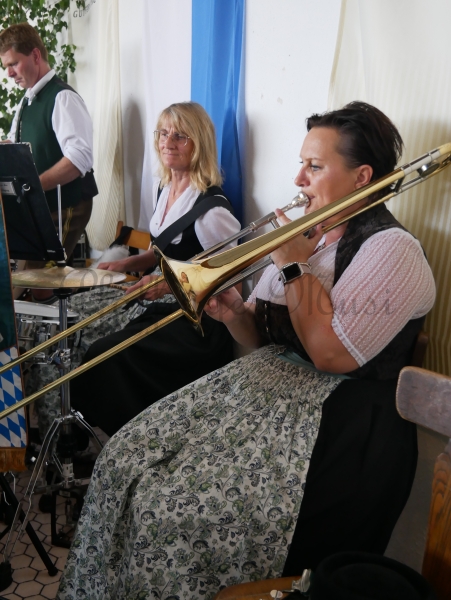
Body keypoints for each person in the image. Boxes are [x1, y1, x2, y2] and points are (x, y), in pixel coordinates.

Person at [57, 102, 435, 600]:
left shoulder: (393, 251)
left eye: (314, 166)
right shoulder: (308, 235)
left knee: (165, 506)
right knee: (124, 460)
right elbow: (258, 334)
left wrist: (294, 265)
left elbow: (331, 356)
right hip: (266, 398)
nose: (298, 178)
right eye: (301, 163)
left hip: (338, 427)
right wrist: (234, 311)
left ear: (362, 177)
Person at [68, 101, 241, 438]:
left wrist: (168, 284)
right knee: (73, 319)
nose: (167, 142)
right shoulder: (164, 188)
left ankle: (129, 438)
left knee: (102, 351)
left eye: (180, 136)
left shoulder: (212, 210)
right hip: (157, 299)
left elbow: (228, 279)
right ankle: (76, 428)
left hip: (195, 322)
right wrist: (126, 263)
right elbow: (161, 251)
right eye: (163, 133)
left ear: (199, 143)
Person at [0, 22, 97, 301]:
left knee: (39, 282)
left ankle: (53, 325)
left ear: (35, 56)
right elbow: (16, 147)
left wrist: (32, 186)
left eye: (13, 64)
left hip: (67, 205)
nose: (9, 73)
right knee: (23, 281)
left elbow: (79, 158)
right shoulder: (27, 102)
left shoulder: (62, 97)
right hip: (42, 205)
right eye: (6, 66)